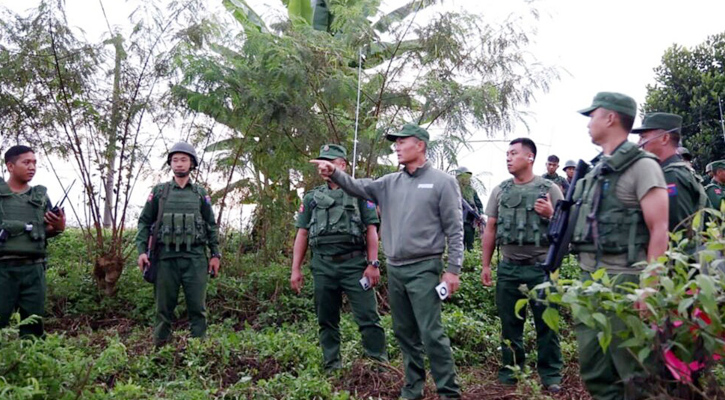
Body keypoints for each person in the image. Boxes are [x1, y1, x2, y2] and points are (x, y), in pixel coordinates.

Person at [311, 124, 462, 399]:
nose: (397, 146)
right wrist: (335, 172)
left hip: (425, 267)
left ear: (420, 145)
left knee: (431, 333)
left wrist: (453, 270)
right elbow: (356, 186)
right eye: (396, 143)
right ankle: (412, 389)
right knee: (404, 333)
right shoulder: (389, 183)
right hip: (396, 268)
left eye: (402, 142)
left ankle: (448, 392)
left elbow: (455, 229)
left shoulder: (442, 182)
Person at [571, 92, 669, 400]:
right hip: (591, 279)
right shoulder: (597, 169)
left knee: (634, 371)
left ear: (611, 118)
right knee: (595, 368)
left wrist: (650, 286)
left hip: (626, 279)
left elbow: (660, 228)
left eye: (593, 115)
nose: (589, 123)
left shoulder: (643, 167)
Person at [290, 144, 387, 372]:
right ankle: (332, 366)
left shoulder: (360, 193)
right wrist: (296, 269)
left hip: (354, 264)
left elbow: (371, 229)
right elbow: (302, 233)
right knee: (326, 320)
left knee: (368, 317)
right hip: (322, 265)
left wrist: (373, 264)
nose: (324, 166)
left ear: (342, 165)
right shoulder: (312, 197)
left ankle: (378, 367)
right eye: (322, 162)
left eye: (330, 162)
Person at [480, 138, 564, 392]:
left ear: (530, 158)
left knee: (547, 324)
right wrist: (486, 265)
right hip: (508, 267)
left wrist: (552, 214)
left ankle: (551, 376)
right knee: (509, 323)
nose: (508, 157)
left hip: (542, 268)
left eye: (514, 153)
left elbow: (566, 230)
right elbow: (491, 228)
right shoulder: (500, 190)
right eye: (507, 153)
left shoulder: (550, 189)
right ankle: (511, 372)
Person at [135, 142, 221, 347]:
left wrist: (215, 254)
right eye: (175, 160)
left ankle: (198, 352)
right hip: (165, 258)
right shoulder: (159, 192)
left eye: (183, 160)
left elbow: (210, 225)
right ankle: (160, 351)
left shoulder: (200, 193)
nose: (179, 164)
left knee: (197, 309)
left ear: (191, 163)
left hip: (195, 258)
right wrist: (141, 252)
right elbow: (144, 222)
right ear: (170, 164)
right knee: (163, 309)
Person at [0, 146, 66, 337]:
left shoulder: (40, 197)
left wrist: (59, 225)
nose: (32, 167)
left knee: (33, 326)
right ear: (10, 166)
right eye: (26, 162)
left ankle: (31, 364)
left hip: (34, 269)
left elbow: (48, 230)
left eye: (34, 163)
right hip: (3, 269)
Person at [634, 113, 710, 232]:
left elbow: (677, 233)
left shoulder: (671, 176)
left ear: (664, 138)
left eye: (643, 137)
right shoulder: (678, 171)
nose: (639, 143)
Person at [455, 167, 483, 252]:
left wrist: (480, 215)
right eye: (464, 176)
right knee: (458, 245)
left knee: (470, 244)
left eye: (467, 177)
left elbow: (479, 205)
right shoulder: (454, 190)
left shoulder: (472, 191)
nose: (466, 179)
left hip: (469, 222)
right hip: (457, 222)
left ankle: (470, 262)